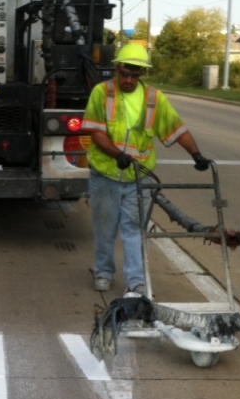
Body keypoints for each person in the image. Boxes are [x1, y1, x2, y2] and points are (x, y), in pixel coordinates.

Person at [81, 42, 211, 295]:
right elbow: (95, 130)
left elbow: (176, 128)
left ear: (141, 74)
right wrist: (116, 153)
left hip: (138, 177)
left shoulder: (154, 98)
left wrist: (197, 155)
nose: (128, 80)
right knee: (105, 227)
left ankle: (136, 281)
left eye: (134, 75)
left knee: (133, 229)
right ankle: (104, 272)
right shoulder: (102, 92)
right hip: (106, 172)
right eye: (124, 74)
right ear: (117, 68)